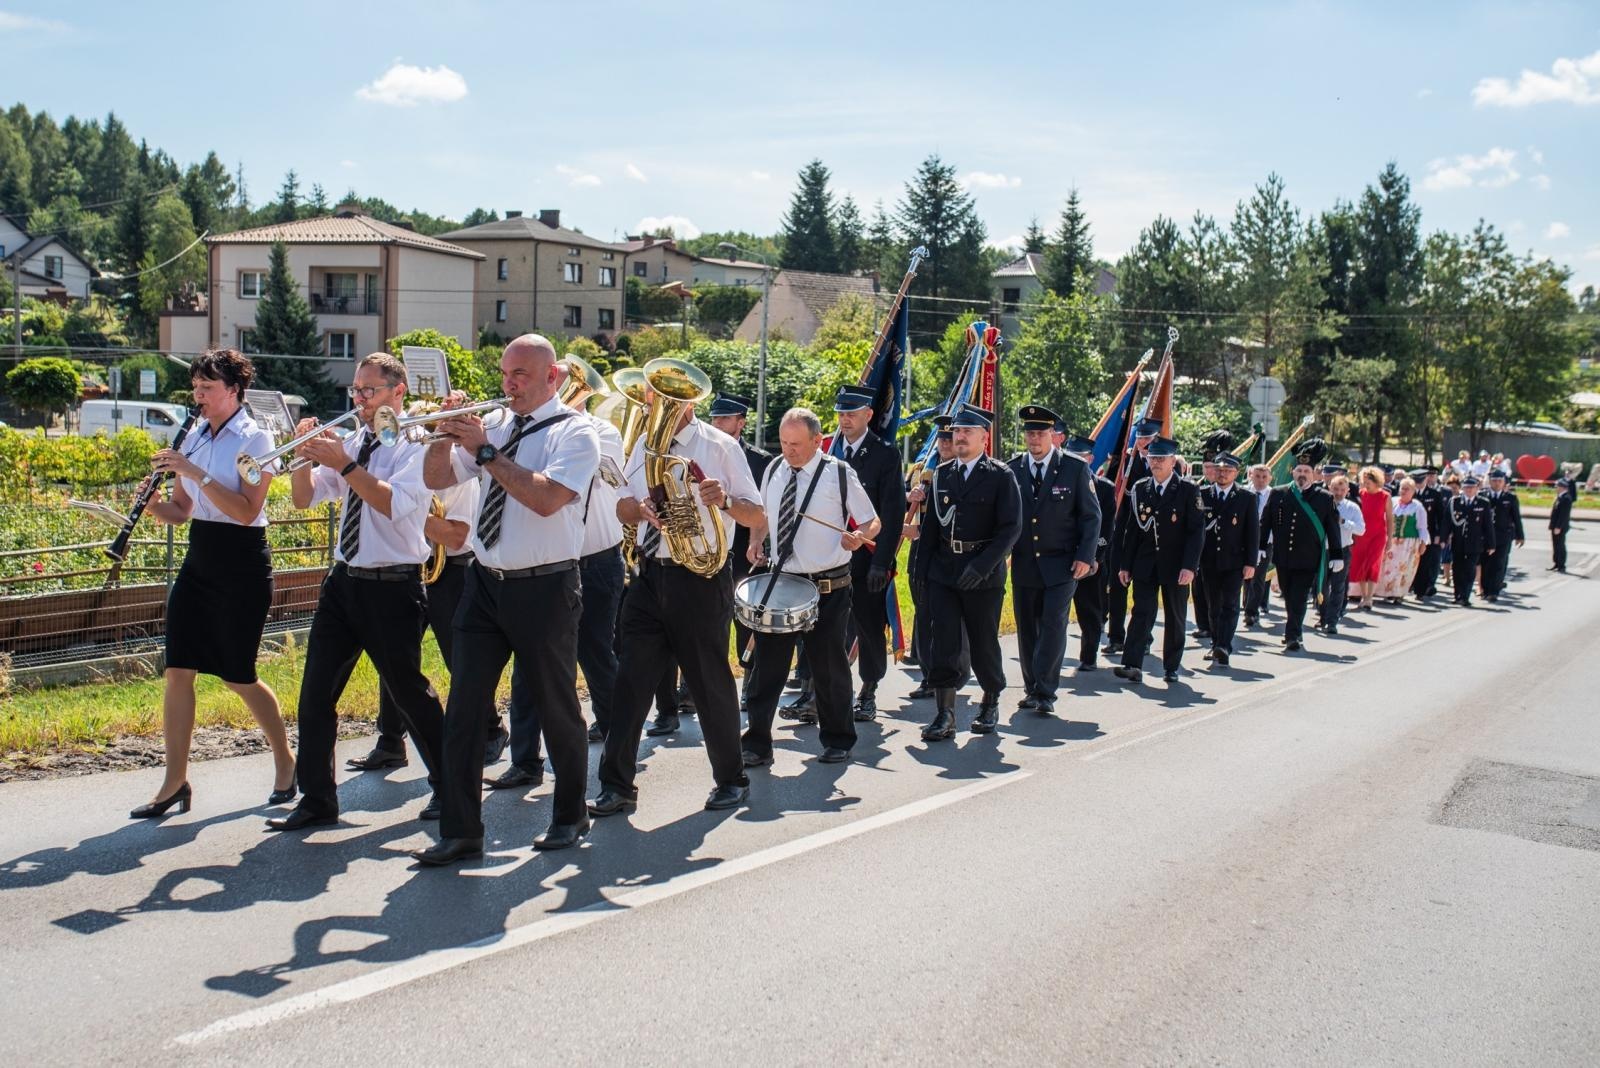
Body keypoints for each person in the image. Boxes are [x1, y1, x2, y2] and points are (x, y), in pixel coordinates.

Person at [409, 334, 601, 866]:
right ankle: (461, 830)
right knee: (465, 709)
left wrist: (485, 451)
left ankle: (568, 814)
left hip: (546, 585)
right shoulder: (498, 427)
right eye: (505, 373)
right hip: (485, 582)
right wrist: (442, 436)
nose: (508, 384)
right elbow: (435, 477)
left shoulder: (576, 432)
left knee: (556, 706)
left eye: (520, 374)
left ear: (552, 377)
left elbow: (545, 499)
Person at [268, 353, 448, 833]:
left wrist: (344, 464)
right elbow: (306, 498)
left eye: (370, 392)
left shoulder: (415, 442)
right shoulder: (355, 439)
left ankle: (453, 786)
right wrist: (302, 455)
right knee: (314, 695)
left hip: (392, 584)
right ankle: (317, 800)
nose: (360, 401)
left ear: (398, 392)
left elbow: (392, 503)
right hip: (344, 580)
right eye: (356, 391)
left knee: (410, 692)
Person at [591, 366, 765, 818]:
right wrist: (639, 508)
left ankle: (731, 779)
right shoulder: (644, 442)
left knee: (709, 681)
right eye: (652, 394)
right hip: (649, 575)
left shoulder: (720, 447)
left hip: (700, 579)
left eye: (663, 396)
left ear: (689, 402)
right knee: (631, 681)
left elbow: (755, 515)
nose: (653, 402)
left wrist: (723, 500)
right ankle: (616, 785)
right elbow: (623, 504)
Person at [130, 349, 296, 818]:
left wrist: (193, 471)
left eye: (207, 388)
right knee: (178, 670)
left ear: (234, 391)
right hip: (200, 558)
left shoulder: (256, 439)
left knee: (237, 674)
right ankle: (174, 783)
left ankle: (286, 760)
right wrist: (148, 506)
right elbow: (181, 513)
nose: (198, 396)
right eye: (196, 387)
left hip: (241, 562)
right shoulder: (197, 435)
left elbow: (246, 510)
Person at [488, 358, 628, 792]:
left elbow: (566, 482)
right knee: (528, 666)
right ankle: (525, 760)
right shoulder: (522, 428)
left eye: (571, 386)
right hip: (546, 566)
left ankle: (618, 744)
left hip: (596, 558)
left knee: (595, 654)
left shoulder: (597, 432)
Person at [740, 408, 881, 765]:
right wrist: (757, 540)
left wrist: (858, 537)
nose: (789, 451)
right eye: (785, 443)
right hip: (783, 582)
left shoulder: (838, 473)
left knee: (828, 666)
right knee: (767, 667)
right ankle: (756, 743)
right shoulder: (773, 469)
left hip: (828, 587)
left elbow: (871, 521)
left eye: (797, 445)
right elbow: (763, 515)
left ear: (818, 441)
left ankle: (838, 739)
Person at [344, 442, 481, 774]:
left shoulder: (460, 478)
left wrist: (410, 510)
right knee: (397, 662)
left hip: (451, 572)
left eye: (432, 435)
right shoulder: (408, 467)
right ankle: (390, 742)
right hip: (414, 567)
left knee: (457, 657)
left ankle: (489, 729)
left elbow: (456, 537)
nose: (426, 443)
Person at [914, 406, 1021, 740]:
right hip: (945, 571)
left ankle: (990, 700)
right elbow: (931, 527)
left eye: (966, 432)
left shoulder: (1001, 475)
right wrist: (920, 571)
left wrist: (984, 565)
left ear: (984, 438)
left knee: (982, 640)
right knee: (943, 641)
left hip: (982, 573)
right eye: (956, 432)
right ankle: (945, 714)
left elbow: (1010, 529)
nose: (958, 437)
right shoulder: (943, 474)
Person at [1006, 405, 1100, 717]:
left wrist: (1085, 556)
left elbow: (1090, 516)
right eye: (1030, 433)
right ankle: (1032, 687)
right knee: (1027, 629)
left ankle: (1045, 691)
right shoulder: (1012, 469)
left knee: (1052, 625)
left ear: (1054, 436)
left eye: (1041, 433)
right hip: (1024, 563)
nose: (1035, 439)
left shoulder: (1074, 468)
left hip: (1062, 564)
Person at [826, 385, 906, 722]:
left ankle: (869, 690)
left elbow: (892, 510)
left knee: (869, 628)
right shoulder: (829, 451)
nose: (845, 419)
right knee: (825, 627)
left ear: (869, 415)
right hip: (829, 557)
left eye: (852, 413)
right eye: (841, 412)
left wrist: (882, 563)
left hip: (867, 557)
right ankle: (815, 692)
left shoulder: (885, 454)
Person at [1112, 436, 1204, 684]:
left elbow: (1196, 532)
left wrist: (1189, 566)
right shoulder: (1141, 488)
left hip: (1176, 565)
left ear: (1173, 461)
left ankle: (1171, 666)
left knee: (1175, 615)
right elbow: (1133, 530)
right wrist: (1125, 565)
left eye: (1161, 459)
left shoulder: (1187, 490)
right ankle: (1132, 663)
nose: (1156, 463)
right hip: (1145, 562)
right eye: (1152, 458)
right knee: (1141, 611)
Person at [708, 392, 773, 715]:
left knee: (747, 623)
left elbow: (763, 509)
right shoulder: (704, 453)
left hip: (747, 553)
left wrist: (757, 542)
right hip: (711, 550)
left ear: (741, 423)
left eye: (724, 419)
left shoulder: (759, 460)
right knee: (707, 624)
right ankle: (695, 689)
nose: (717, 424)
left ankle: (750, 683)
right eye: (715, 418)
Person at [906, 416, 971, 699]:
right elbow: (899, 501)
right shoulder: (921, 471)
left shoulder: (962, 473)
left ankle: (956, 672)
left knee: (953, 619)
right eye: (941, 439)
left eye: (949, 438)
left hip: (950, 553)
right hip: (922, 551)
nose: (945, 444)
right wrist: (911, 495)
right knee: (923, 614)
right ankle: (928, 675)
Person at [1259, 444, 1345, 653]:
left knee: (1299, 596)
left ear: (1314, 474)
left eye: (1307, 471)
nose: (1302, 474)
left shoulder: (1324, 497)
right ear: (1293, 472)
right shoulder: (1279, 493)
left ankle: (1292, 635)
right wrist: (1261, 546)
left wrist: (1336, 555)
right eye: (1299, 470)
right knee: (1289, 596)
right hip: (1283, 557)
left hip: (1308, 558)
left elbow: (1333, 528)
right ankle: (1294, 630)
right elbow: (1266, 521)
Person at [1197, 451, 1258, 667]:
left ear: (1236, 473)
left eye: (1227, 471)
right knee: (1213, 605)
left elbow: (1252, 533)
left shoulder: (1246, 498)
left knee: (1230, 604)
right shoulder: (1202, 494)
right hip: (1209, 560)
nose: (1222, 474)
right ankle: (1216, 644)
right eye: (1219, 470)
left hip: (1235, 561)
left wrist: (1251, 562)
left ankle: (1224, 645)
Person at [1105, 418, 1160, 656]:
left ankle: (1143, 637)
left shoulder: (1168, 464)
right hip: (1123, 534)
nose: (1142, 443)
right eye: (1139, 437)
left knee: (1144, 593)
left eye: (1147, 438)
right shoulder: (1125, 462)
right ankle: (1116, 637)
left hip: (1148, 539)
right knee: (1116, 588)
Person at [1064, 434, 1117, 670]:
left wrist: (1095, 557)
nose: (1075, 461)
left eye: (1080, 457)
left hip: (1091, 560)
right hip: (1062, 558)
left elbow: (1105, 526)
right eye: (1071, 456)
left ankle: (1089, 655)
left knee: (1090, 611)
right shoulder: (1059, 484)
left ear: (1091, 459)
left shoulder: (1104, 489)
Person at [1317, 474, 1364, 635]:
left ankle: (1332, 621)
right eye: (1335, 489)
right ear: (1330, 488)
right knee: (1321, 585)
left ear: (1347, 491)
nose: (1338, 492)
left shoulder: (1352, 508)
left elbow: (1361, 529)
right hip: (1324, 550)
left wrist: (1344, 522)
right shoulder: (1322, 503)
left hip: (1343, 549)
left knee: (1338, 586)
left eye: (1342, 490)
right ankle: (1323, 616)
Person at [1376, 477, 1430, 603]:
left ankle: (1399, 594)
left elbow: (1422, 527)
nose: (1404, 491)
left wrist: (1423, 543)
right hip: (1392, 539)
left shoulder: (1417, 507)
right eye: (1402, 488)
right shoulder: (1393, 501)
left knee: (1404, 568)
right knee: (1388, 566)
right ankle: (1387, 591)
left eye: (1407, 489)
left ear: (1413, 491)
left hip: (1408, 543)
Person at [1447, 475, 1496, 607]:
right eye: (1466, 487)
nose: (1469, 490)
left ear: (1477, 488)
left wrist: (1491, 544)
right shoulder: (1455, 501)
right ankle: (1457, 595)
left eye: (1472, 487)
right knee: (1457, 570)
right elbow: (1448, 522)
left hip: (1475, 543)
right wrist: (1443, 538)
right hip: (1458, 542)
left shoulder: (1483, 503)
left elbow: (1488, 526)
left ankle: (1465, 596)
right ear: (1462, 488)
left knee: (1469, 570)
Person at [1347, 466, 1391, 610]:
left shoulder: (1385, 496)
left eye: (1368, 481)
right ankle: (1363, 595)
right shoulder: (1360, 494)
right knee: (1360, 563)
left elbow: (1390, 519)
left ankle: (1369, 598)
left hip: (1378, 535)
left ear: (1375, 480)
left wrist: (1390, 538)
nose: (1366, 484)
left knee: (1373, 564)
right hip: (1361, 535)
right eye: (1364, 481)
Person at [1481, 469, 1525, 601]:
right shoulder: (1483, 496)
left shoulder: (1510, 498)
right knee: (1486, 563)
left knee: (1499, 563)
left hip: (1503, 536)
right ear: (1490, 482)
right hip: (1486, 536)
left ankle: (1494, 591)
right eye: (1494, 480)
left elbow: (1516, 517)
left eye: (1500, 481)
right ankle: (1485, 589)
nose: (1497, 483)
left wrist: (1520, 535)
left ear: (1504, 482)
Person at [1243, 462, 1274, 628]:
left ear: (1270, 478)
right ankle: (1245, 603)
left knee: (1258, 577)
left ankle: (1251, 611)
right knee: (1245, 577)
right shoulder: (1243, 492)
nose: (1261, 480)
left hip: (1264, 542)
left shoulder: (1273, 495)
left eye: (1264, 477)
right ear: (1251, 476)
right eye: (1257, 476)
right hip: (1243, 542)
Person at [1409, 468, 1447, 600]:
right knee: (1409, 562)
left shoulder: (1434, 494)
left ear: (1426, 480)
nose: (1419, 484)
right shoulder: (1409, 493)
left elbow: (1441, 517)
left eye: (1421, 480)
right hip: (1410, 534)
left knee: (1425, 563)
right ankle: (1409, 585)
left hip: (1427, 534)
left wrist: (1439, 535)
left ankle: (1421, 590)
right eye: (1416, 481)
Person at [1548, 477, 1576, 572]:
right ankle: (1556, 563)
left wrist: (1558, 526)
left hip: (1560, 526)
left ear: (1562, 487)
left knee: (1560, 545)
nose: (1556, 488)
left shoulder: (1566, 498)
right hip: (1555, 525)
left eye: (1558, 486)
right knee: (1555, 545)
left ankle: (1561, 564)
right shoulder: (1560, 497)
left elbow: (1563, 515)